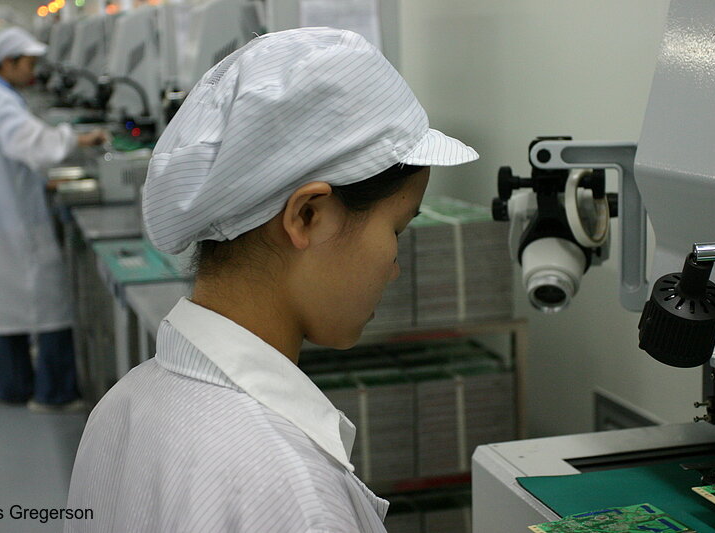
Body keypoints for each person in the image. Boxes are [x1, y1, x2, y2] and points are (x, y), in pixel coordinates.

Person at [65, 27, 478, 532]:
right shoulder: (297, 499)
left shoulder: (121, 408)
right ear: (307, 215)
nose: (395, 267)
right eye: (397, 228)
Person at [0, 27, 107, 412]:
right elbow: (29, 141)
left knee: (8, 306)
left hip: (4, 215)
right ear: (7, 63)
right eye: (28, 63)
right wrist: (79, 138)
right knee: (48, 302)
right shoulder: (0, 102)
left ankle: (12, 386)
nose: (32, 71)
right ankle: (54, 393)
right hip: (17, 220)